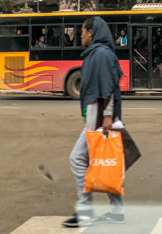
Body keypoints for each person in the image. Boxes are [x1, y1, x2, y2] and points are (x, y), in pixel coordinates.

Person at [63, 16, 125, 228]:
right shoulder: (97, 53)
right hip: (99, 116)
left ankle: (85, 209)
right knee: (106, 163)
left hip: (99, 117)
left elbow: (107, 86)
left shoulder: (100, 54)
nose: (80, 35)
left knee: (78, 159)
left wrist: (107, 116)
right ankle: (116, 211)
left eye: (82, 31)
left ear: (91, 32)